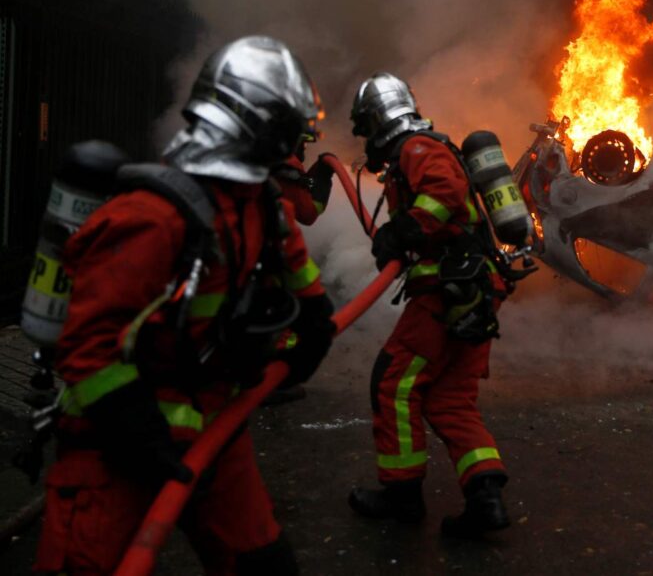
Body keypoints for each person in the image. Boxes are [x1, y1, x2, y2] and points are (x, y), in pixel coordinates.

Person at [34, 36, 336, 575]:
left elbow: (301, 276)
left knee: (263, 564)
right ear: (249, 123)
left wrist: (315, 320)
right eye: (288, 129)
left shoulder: (261, 202)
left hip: (215, 425)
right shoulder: (152, 217)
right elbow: (86, 346)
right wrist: (132, 424)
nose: (297, 143)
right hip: (116, 444)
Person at [345, 72, 512, 538]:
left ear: (376, 121)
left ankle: (401, 498)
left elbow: (444, 194)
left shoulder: (417, 149)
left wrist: (404, 230)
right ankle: (486, 500)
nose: (366, 142)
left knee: (394, 381)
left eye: (364, 128)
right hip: (474, 290)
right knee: (450, 398)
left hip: (448, 292)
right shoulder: (417, 151)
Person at [263, 116, 336, 406]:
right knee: (284, 312)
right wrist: (322, 180)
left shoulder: (255, 156)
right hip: (270, 255)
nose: (303, 151)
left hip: (240, 248)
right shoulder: (286, 165)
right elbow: (308, 213)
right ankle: (274, 380)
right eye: (303, 143)